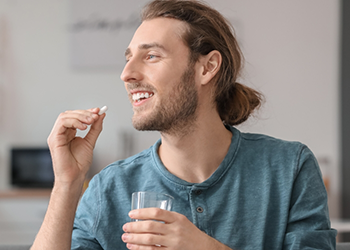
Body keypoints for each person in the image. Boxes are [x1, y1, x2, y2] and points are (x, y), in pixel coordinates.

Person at [31, 0, 337, 249]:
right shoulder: (108, 189)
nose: (127, 74)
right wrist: (67, 184)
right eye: (128, 59)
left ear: (207, 67)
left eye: (151, 56)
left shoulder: (290, 169)